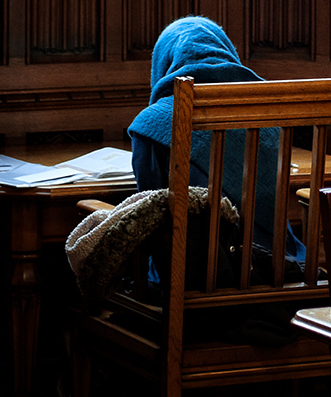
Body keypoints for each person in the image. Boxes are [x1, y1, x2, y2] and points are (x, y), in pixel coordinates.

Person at [128, 15, 305, 269]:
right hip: (275, 269)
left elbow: (149, 216)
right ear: (227, 51)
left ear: (164, 62)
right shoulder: (268, 113)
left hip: (191, 277)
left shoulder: (150, 125)